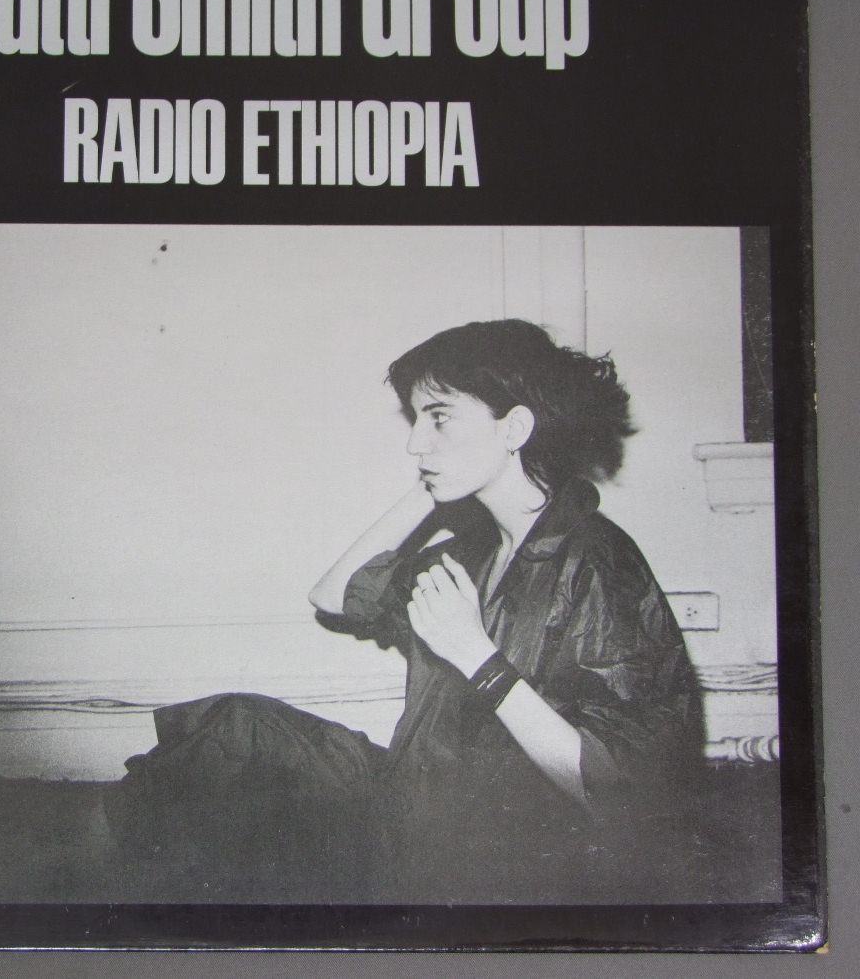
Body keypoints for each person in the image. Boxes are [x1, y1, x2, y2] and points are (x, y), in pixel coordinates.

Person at [105, 320, 703, 904]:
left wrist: (476, 656)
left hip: (502, 850)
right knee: (236, 731)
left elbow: (614, 788)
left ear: (515, 427)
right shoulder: (473, 550)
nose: (416, 442)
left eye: (439, 418)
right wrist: (431, 485)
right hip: (414, 802)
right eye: (416, 420)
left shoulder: (597, 560)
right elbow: (332, 595)